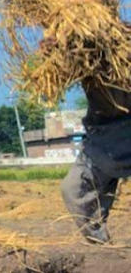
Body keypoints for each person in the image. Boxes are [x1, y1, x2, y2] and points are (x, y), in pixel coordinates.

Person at [39, 36, 131, 244]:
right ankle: (100, 243)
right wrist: (51, 56)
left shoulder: (123, 42)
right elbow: (51, 86)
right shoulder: (78, 53)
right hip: (101, 141)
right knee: (72, 189)